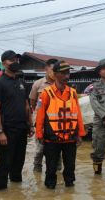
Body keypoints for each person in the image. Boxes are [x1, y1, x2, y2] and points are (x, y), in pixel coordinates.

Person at [35, 60, 86, 189]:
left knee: (70, 167)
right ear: (55, 74)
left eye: (68, 73)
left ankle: (69, 188)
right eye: (63, 73)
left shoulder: (73, 93)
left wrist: (80, 133)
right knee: (51, 168)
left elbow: (77, 113)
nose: (66, 76)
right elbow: (40, 115)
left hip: (70, 137)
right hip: (51, 138)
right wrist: (39, 134)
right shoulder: (46, 93)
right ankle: (50, 189)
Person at [0, 50, 34, 190]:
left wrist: (30, 125)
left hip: (22, 129)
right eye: (11, 60)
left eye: (16, 60)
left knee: (19, 162)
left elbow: (27, 105)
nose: (15, 62)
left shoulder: (22, 82)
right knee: (5, 162)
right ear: (4, 63)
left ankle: (16, 191)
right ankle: (1, 191)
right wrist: (0, 131)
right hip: (7, 129)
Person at [29, 58, 59, 172]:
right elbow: (32, 102)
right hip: (40, 122)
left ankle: (57, 169)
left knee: (57, 148)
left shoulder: (60, 84)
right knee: (40, 148)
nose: (54, 72)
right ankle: (37, 169)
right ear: (46, 69)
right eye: (52, 69)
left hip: (56, 122)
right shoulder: (38, 84)